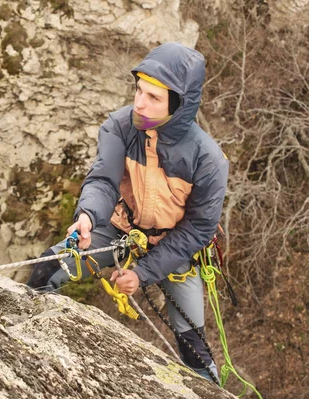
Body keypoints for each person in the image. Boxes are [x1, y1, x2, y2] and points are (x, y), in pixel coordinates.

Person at [26, 42, 229, 382]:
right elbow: (103, 180)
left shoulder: (207, 159)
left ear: (179, 106)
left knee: (194, 349)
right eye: (139, 90)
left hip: (176, 249)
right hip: (120, 229)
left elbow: (197, 229)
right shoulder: (120, 126)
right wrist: (88, 216)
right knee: (47, 269)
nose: (139, 102)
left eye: (153, 97)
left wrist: (143, 273)